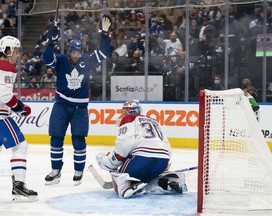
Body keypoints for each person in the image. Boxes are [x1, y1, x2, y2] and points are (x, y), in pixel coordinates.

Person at [43, 15, 112, 186]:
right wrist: (50, 42)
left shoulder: (87, 61)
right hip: (61, 104)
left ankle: (78, 170)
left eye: (78, 52)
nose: (76, 55)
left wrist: (104, 34)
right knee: (56, 137)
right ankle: (55, 169)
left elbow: (104, 52)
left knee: (79, 139)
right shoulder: (60, 61)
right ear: (69, 52)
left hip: (80, 108)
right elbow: (46, 59)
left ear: (82, 52)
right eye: (73, 52)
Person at [96, 100, 187, 198]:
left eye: (125, 111)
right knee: (149, 176)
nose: (123, 114)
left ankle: (131, 183)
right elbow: (167, 145)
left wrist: (112, 161)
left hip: (141, 159)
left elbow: (125, 143)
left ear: (129, 111)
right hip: (162, 160)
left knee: (121, 172)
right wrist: (164, 164)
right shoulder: (154, 121)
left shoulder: (128, 119)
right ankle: (165, 182)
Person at [0, 35, 38, 202]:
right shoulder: (6, 66)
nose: (18, 55)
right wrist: (21, 109)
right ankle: (19, 186)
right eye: (16, 51)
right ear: (7, 51)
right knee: (20, 146)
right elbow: (5, 95)